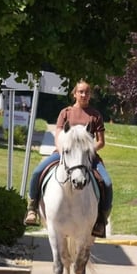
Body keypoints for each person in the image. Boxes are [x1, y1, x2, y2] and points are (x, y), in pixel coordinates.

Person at [23, 79, 113, 238]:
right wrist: (63, 148)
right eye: (81, 92)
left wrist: (87, 150)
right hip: (65, 153)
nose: (84, 95)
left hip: (87, 156)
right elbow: (58, 135)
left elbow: (101, 142)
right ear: (74, 94)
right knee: (37, 172)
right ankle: (32, 209)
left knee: (107, 182)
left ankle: (101, 220)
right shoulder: (65, 113)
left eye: (87, 92)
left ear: (90, 95)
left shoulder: (95, 115)